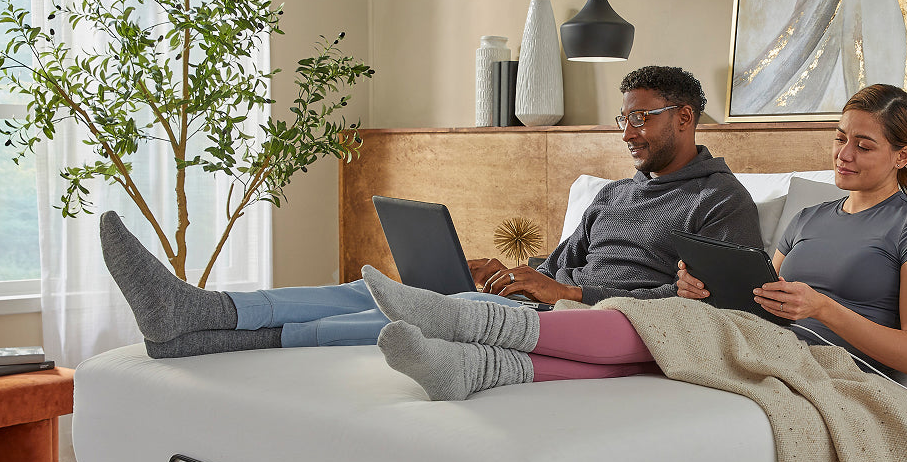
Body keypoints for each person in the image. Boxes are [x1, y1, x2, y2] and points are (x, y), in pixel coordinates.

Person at [100, 65, 763, 358]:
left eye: (642, 118)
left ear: (685, 117)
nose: (627, 132)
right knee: (380, 289)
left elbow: (706, 310)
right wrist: (512, 271)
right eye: (622, 119)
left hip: (603, 324)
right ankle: (207, 316)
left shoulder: (719, 199)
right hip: (552, 303)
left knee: (432, 311)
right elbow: (554, 267)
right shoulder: (613, 194)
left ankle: (205, 330)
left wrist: (564, 291)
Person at [360, 83, 907, 399]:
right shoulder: (811, 216)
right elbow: (760, 299)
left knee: (651, 328)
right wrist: (704, 291)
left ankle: (470, 328)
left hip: (833, 363)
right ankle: (475, 366)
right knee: (668, 329)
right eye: (839, 138)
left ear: (902, 155)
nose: (843, 154)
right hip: (770, 344)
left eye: (864, 145)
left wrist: (823, 308)